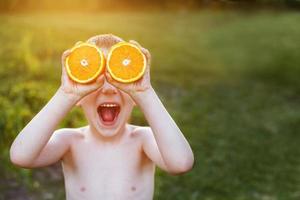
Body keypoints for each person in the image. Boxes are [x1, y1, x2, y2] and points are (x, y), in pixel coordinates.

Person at [10, 34, 194, 200]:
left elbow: (181, 163)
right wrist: (66, 94)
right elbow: (20, 156)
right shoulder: (69, 142)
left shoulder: (142, 141)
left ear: (134, 97)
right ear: (79, 98)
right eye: (95, 80)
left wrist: (145, 92)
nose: (108, 88)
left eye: (118, 78)